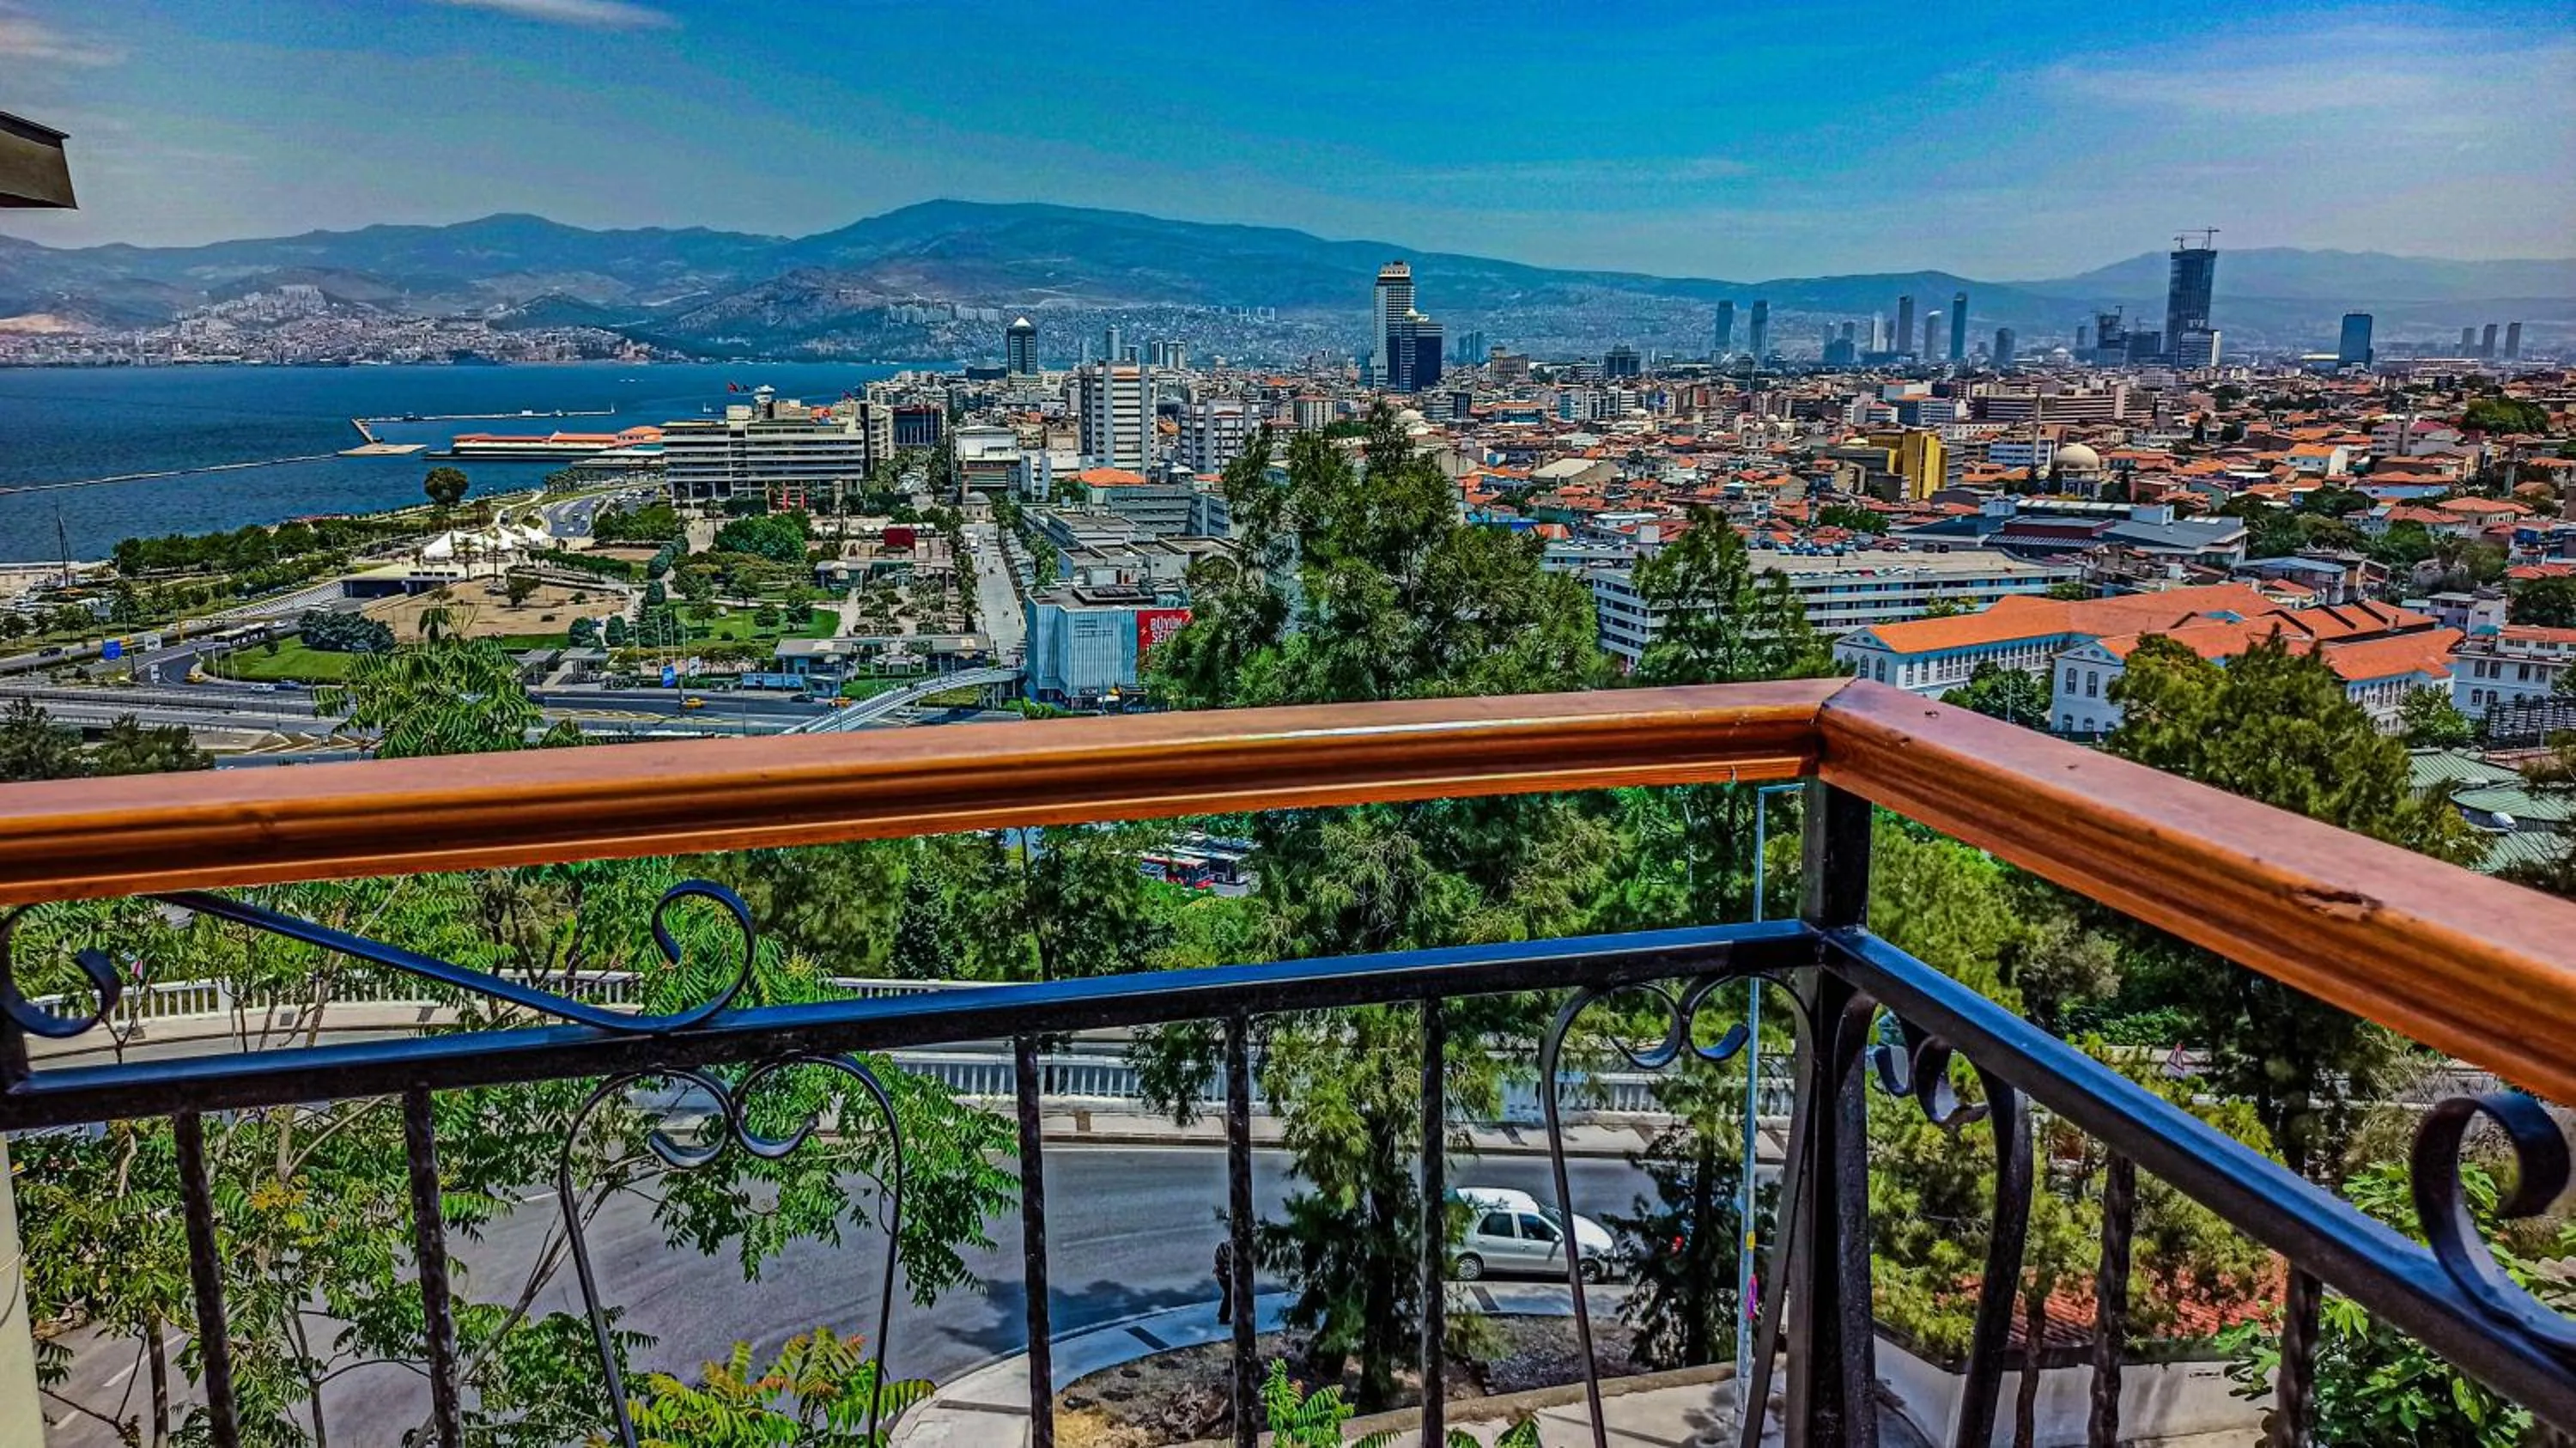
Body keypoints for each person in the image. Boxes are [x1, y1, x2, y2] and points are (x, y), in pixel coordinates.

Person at [1213, 1238, 1236, 1325]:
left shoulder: (1223, 1247)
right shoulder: (1227, 1251)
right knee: (1229, 1295)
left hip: (1222, 1275)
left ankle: (1223, 1315)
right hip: (1224, 1276)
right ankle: (1223, 1317)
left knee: (1229, 1295)